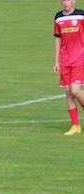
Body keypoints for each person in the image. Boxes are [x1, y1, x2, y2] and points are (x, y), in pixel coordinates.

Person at [55, 0, 84, 134]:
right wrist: (56, 60)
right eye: (64, 0)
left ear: (74, 1)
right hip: (65, 60)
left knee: (75, 90)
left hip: (80, 58)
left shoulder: (81, 15)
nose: (66, 2)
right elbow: (58, 38)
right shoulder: (58, 17)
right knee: (68, 92)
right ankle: (75, 125)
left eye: (68, 0)